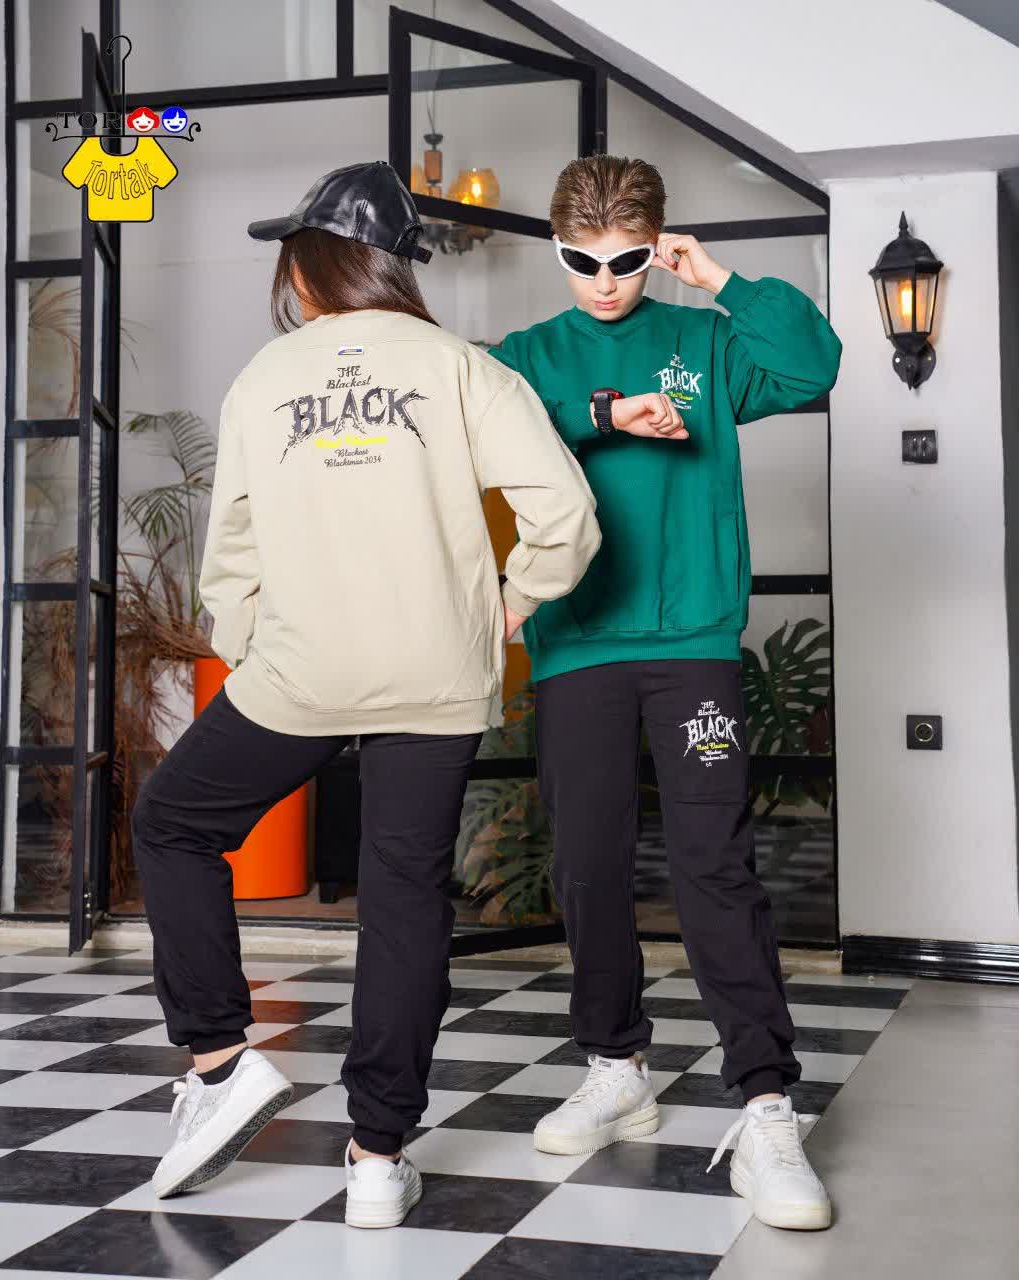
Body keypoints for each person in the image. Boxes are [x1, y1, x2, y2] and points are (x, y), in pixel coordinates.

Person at [132, 160, 600, 1229]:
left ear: (307, 266)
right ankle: (379, 1157)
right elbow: (566, 518)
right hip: (437, 675)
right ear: (395, 266)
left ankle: (218, 1063)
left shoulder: (265, 377)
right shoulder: (462, 368)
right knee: (404, 899)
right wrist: (506, 607)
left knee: (172, 825)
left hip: (304, 672)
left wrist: (248, 646)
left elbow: (232, 550)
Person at [489, 154, 842, 1232]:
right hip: (578, 645)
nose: (605, 282)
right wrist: (605, 409)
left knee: (713, 861)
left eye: (629, 260)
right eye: (582, 260)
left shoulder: (708, 340)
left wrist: (720, 280)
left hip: (692, 643)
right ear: (556, 250)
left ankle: (766, 1102)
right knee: (588, 864)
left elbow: (815, 364)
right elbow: (487, 432)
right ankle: (616, 1065)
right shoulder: (527, 356)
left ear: (659, 246)